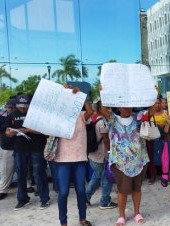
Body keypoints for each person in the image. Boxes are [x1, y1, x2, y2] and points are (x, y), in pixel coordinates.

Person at [99, 105, 149, 226]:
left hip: (139, 161)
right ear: (119, 107)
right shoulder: (113, 119)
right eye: (124, 106)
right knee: (122, 190)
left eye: (129, 106)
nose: (128, 108)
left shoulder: (138, 117)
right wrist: (103, 92)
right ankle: (121, 216)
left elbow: (151, 112)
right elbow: (103, 110)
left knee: (137, 189)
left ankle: (137, 213)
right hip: (120, 163)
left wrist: (153, 94)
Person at [54, 86, 94, 226]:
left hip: (79, 159)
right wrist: (63, 93)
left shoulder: (81, 115)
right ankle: (63, 222)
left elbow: (91, 111)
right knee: (63, 192)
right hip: (62, 159)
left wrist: (82, 95)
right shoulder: (58, 117)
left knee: (81, 190)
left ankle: (82, 219)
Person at [6, 95, 50, 210]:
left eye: (25, 107)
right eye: (20, 107)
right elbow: (7, 132)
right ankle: (23, 199)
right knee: (20, 174)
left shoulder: (37, 114)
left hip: (36, 148)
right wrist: (12, 133)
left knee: (39, 173)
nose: (22, 109)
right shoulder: (12, 115)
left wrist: (28, 130)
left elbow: (44, 130)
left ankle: (44, 198)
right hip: (20, 149)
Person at [85, 101, 117, 210]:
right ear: (99, 107)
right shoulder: (101, 122)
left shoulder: (94, 117)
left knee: (96, 177)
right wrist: (111, 153)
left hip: (93, 155)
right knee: (107, 178)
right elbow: (106, 140)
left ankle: (85, 198)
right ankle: (104, 201)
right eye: (105, 107)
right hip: (100, 156)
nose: (108, 108)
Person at [0, 98, 16, 200]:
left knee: (25, 170)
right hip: (7, 147)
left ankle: (28, 185)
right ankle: (2, 190)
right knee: (5, 170)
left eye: (12, 107)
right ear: (6, 107)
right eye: (9, 107)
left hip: (21, 147)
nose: (10, 109)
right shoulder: (1, 118)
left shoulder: (20, 116)